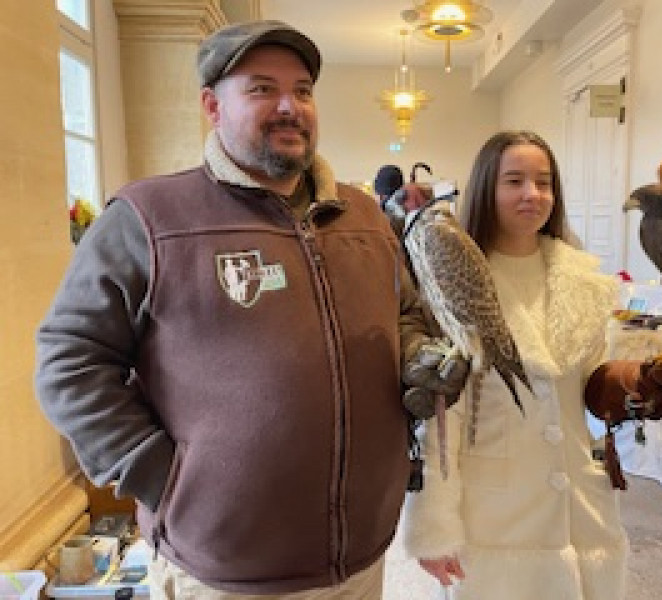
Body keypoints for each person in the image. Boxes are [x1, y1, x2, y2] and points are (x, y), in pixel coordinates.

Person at [35, 20, 467, 599]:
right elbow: (69, 361)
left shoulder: (366, 217)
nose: (291, 106)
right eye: (263, 89)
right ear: (212, 106)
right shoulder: (151, 217)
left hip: (361, 559)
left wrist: (418, 354)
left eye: (304, 90)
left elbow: (405, 314)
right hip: (222, 572)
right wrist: (165, 478)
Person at [400, 131, 662, 599]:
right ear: (486, 188)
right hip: (495, 512)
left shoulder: (580, 278)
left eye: (543, 182)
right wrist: (435, 522)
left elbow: (589, 381)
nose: (532, 195)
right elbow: (444, 416)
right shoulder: (458, 278)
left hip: (579, 504)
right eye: (514, 181)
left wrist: (634, 383)